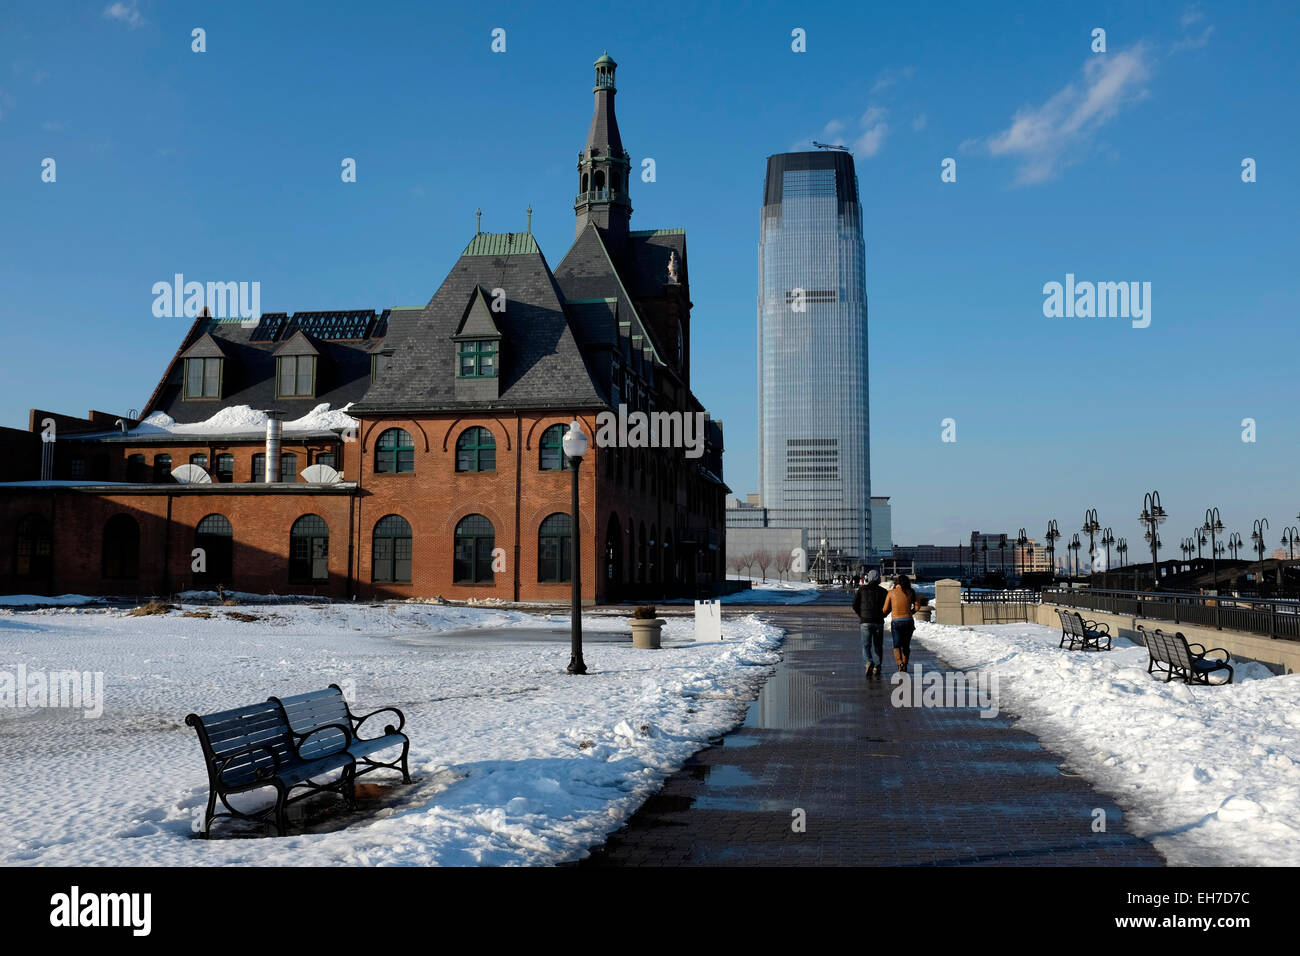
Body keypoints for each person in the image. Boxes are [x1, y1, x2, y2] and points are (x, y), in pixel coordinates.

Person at [852, 570, 887, 677]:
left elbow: (855, 605)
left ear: (869, 578)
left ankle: (868, 662)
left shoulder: (862, 589)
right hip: (878, 621)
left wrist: (861, 615)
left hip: (865, 621)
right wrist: (883, 615)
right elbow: (887, 606)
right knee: (878, 645)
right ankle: (877, 666)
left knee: (866, 645)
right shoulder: (883, 591)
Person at [882, 573, 920, 672]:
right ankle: (905, 664)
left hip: (896, 622)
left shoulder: (891, 593)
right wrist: (910, 612)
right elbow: (917, 607)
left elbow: (885, 609)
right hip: (908, 621)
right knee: (906, 645)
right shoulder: (911, 592)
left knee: (897, 644)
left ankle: (900, 663)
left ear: (896, 583)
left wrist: (887, 613)